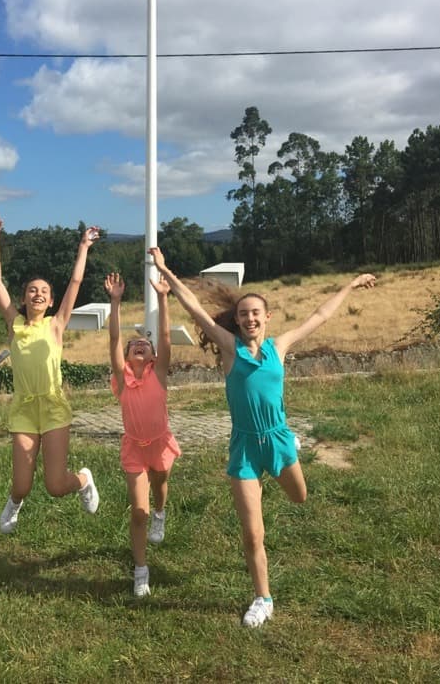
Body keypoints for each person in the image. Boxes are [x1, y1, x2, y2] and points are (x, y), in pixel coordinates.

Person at [148, 247, 376, 627]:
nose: (249, 318)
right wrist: (165, 271)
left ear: (266, 318)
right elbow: (195, 310)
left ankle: (293, 448)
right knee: (253, 535)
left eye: (255, 313)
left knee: (299, 498)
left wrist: (350, 284)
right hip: (245, 449)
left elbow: (320, 316)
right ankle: (262, 598)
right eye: (243, 314)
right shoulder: (229, 348)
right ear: (236, 321)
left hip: (280, 440)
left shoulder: (279, 347)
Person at [0, 210, 101, 535]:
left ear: (50, 302)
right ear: (23, 298)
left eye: (44, 292)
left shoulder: (57, 324)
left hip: (52, 406)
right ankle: (15, 503)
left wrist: (83, 247)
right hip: (23, 407)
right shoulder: (14, 323)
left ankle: (83, 479)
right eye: (32, 290)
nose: (38, 294)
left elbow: (75, 281)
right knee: (21, 485)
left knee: (54, 484)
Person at [104, 271, 181, 597]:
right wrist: (116, 302)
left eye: (144, 345)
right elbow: (113, 341)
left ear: (152, 358)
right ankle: (140, 570)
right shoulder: (121, 380)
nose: (139, 345)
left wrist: (163, 298)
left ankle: (161, 514)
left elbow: (164, 336)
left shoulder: (159, 375)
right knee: (139, 511)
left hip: (161, 443)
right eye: (134, 344)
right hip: (134, 448)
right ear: (127, 356)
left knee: (160, 486)